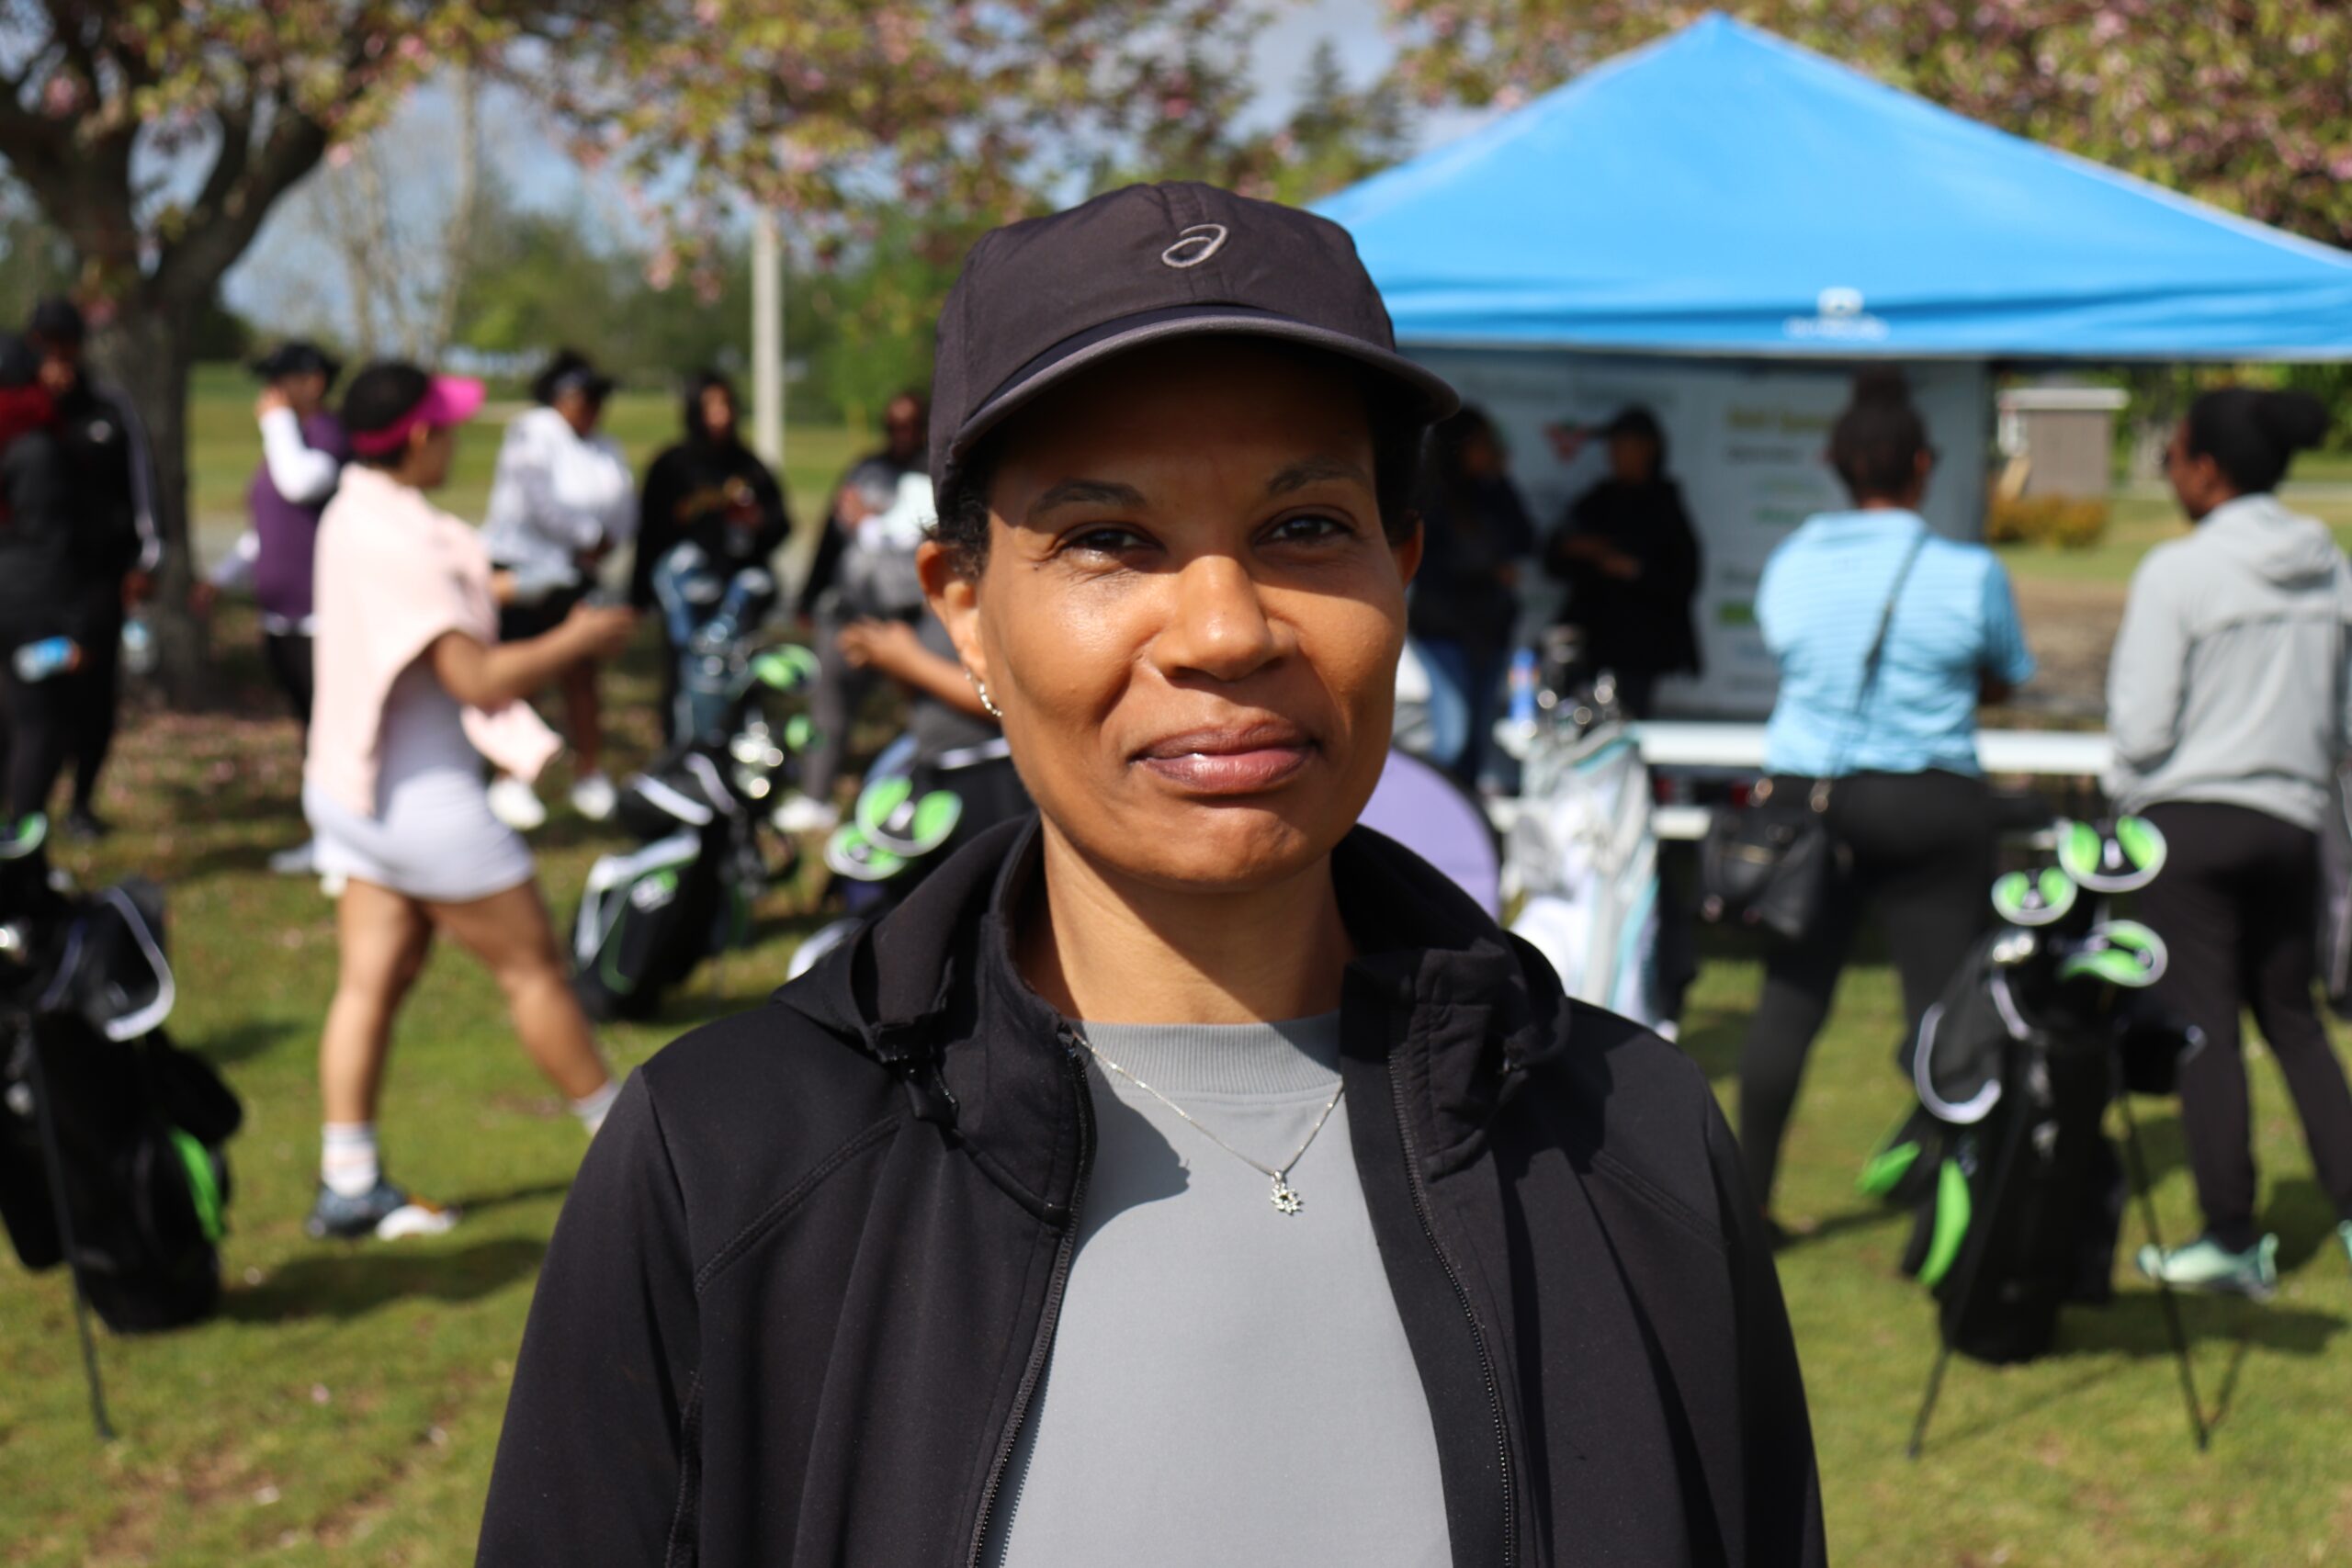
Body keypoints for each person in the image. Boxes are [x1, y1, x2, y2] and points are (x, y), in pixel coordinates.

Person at [481, 181, 1821, 1567]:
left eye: (1305, 526)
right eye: (1109, 540)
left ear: (1401, 571)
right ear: (966, 612)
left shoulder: (1633, 1139)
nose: (1227, 630)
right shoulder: (728, 1162)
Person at [302, 361, 637, 1241]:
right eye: (445, 426)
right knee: (533, 971)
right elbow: (473, 673)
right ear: (417, 437)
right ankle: (633, 1158)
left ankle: (347, 1181)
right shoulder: (408, 539)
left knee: (371, 981)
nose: (454, 439)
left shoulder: (351, 510)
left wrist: (503, 591)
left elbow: (417, 608)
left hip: (350, 792)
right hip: (424, 806)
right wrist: (577, 637)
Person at [1737, 368, 2035, 1234]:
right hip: (1929, 798)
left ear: (1835, 463)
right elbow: (2005, 678)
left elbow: (1791, 651)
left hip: (1810, 802)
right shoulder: (1966, 569)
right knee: (1943, 1008)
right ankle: (1949, 1201)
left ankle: (1750, 1202)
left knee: (1789, 1002)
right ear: (1924, 464)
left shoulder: (1793, 561)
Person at [2109, 387, 2352, 1296]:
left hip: (2189, 825)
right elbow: (2342, 718)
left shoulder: (2178, 572)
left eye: (2173, 455)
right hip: (2292, 822)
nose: (2170, 471)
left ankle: (2227, 1237)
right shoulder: (2330, 565)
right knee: (2292, 1019)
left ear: (2206, 470)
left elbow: (2137, 731)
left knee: (2203, 1026)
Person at [196, 341, 349, 874]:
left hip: (323, 616)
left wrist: (276, 424)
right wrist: (220, 580)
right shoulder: (289, 442)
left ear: (314, 381)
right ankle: (326, 838)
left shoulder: (328, 436)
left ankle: (348, 845)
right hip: (280, 614)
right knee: (310, 730)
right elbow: (265, 532)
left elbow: (301, 482)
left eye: (281, 381)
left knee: (334, 732)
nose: (271, 394)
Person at [480, 348, 636, 827]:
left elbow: (625, 503)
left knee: (581, 672)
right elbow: (538, 501)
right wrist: (589, 536)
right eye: (583, 398)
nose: (591, 408)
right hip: (522, 569)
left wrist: (607, 541)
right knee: (521, 672)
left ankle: (589, 772)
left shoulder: (605, 447)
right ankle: (511, 777)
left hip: (575, 573)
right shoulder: (533, 431)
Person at [24, 297, 160, 841]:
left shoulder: (109, 406)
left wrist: (147, 559)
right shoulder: (21, 412)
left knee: (95, 697)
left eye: (66, 345)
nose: (58, 359)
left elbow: (144, 486)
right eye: (46, 347)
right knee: (31, 696)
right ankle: (26, 804)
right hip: (35, 584)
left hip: (98, 580)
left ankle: (81, 802)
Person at [632, 371, 791, 742]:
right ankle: (681, 748)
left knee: (737, 669)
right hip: (687, 596)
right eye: (710, 407)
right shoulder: (672, 466)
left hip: (735, 591)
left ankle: (733, 743)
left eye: (726, 405)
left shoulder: (749, 466)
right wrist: (638, 595)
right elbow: (650, 534)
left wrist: (755, 523)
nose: (720, 415)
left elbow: (781, 525)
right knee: (683, 671)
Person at [1544, 405, 1703, 718]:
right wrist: (1581, 549)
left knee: (1626, 732)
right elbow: (1551, 556)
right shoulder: (1598, 500)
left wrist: (1634, 569)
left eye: (1624, 445)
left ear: (1649, 448)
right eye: (1612, 446)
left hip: (1639, 650)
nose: (1615, 454)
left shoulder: (1666, 507)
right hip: (1589, 648)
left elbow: (1685, 578)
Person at [1408, 405, 1534, 786]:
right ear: (1459, 447)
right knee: (1453, 737)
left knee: (1477, 741)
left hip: (1489, 631)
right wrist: (1489, 570)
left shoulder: (1494, 491)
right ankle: (1437, 817)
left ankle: (1464, 828)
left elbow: (1527, 539)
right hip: (1443, 631)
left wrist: (1501, 478)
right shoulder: (1432, 495)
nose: (1487, 450)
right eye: (1480, 443)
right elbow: (1430, 561)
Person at [0, 332, 82, 826]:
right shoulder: (37, 444)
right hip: (30, 605)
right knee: (37, 726)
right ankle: (21, 853)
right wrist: (72, 624)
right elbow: (49, 541)